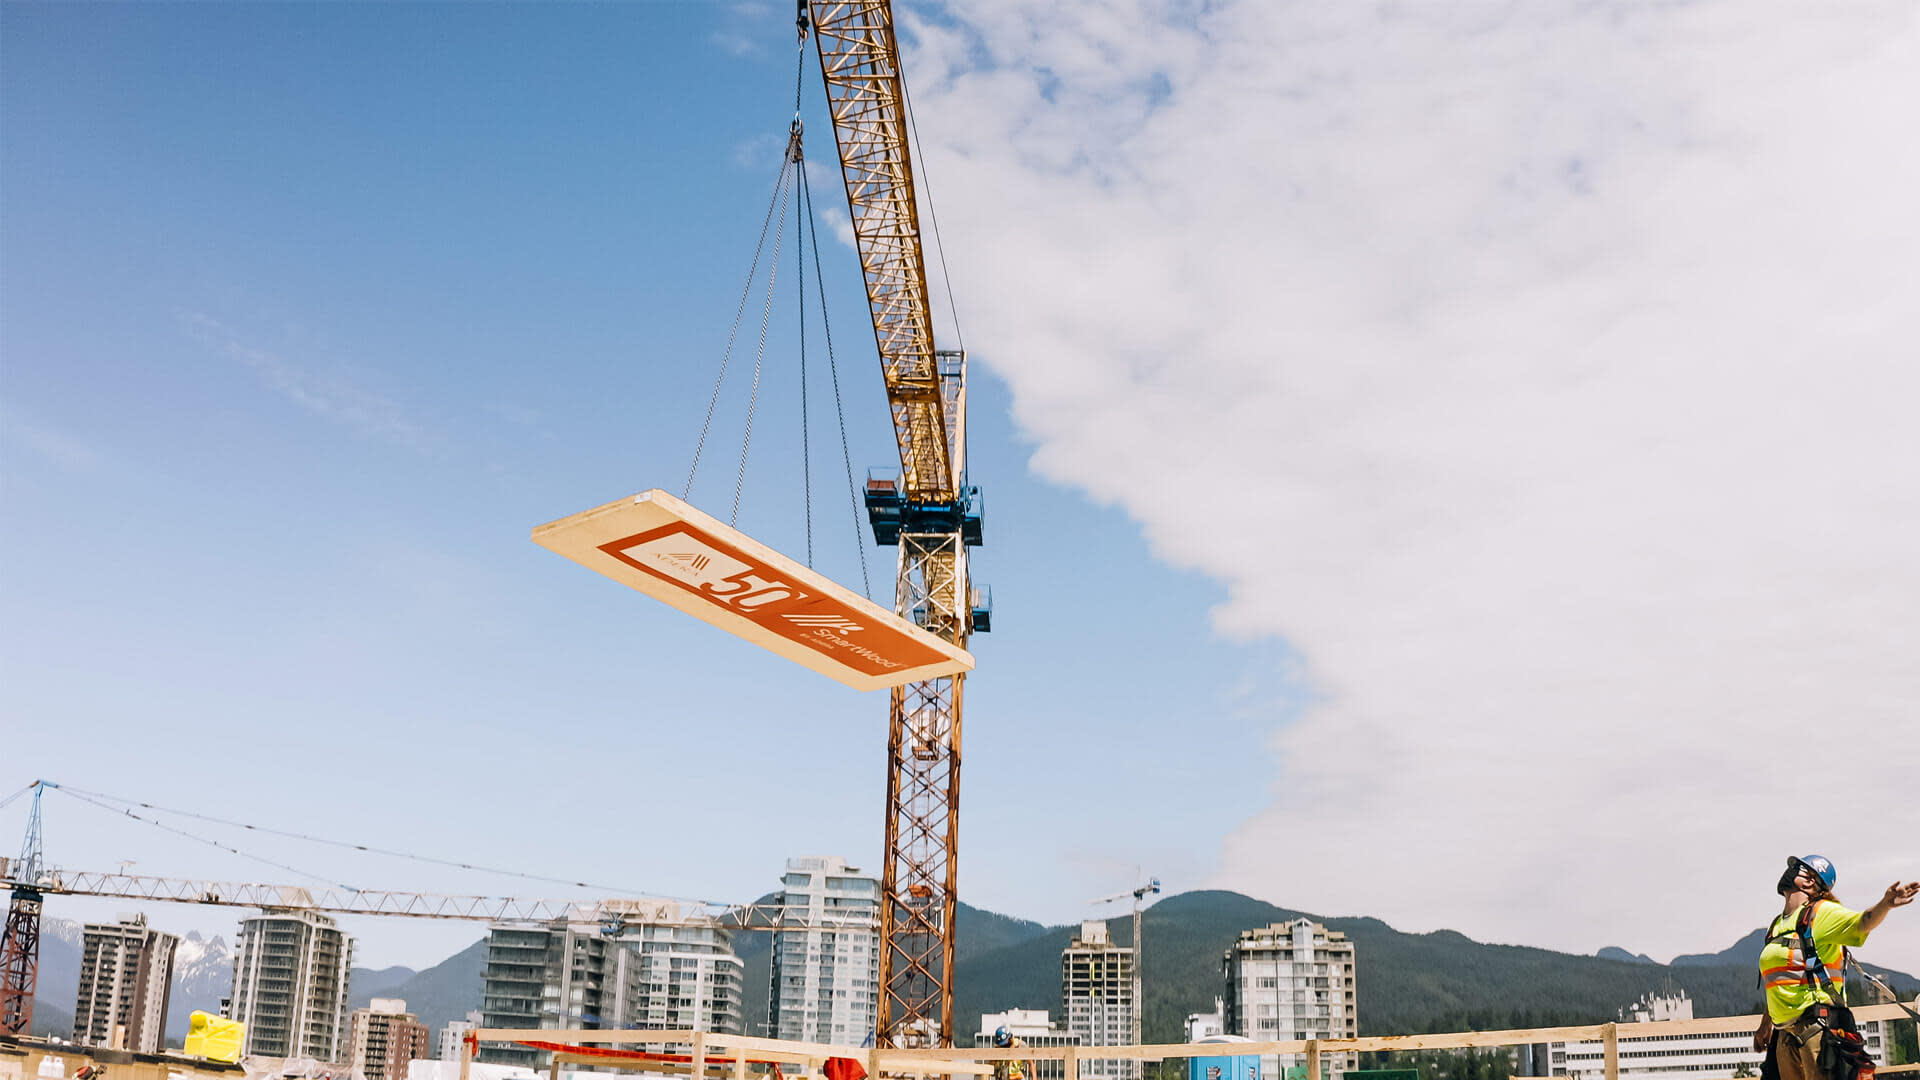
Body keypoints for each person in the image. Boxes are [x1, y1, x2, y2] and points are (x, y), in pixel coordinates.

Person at [1753, 854, 1920, 1080]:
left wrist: (1885, 905)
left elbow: (1862, 922)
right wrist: (1766, 1024)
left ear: (1810, 881)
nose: (1789, 871)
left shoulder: (1821, 912)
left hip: (1816, 1030)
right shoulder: (1777, 925)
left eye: (1796, 868)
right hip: (1786, 1035)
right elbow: (1779, 981)